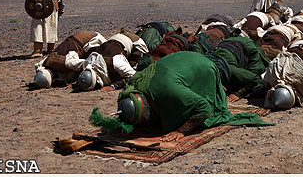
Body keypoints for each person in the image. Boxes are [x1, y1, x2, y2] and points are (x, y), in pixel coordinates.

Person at [89, 51, 270, 140]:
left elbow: (203, 109)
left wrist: (180, 131)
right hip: (180, 60)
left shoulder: (168, 91)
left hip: (203, 67)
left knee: (207, 104)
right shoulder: (134, 87)